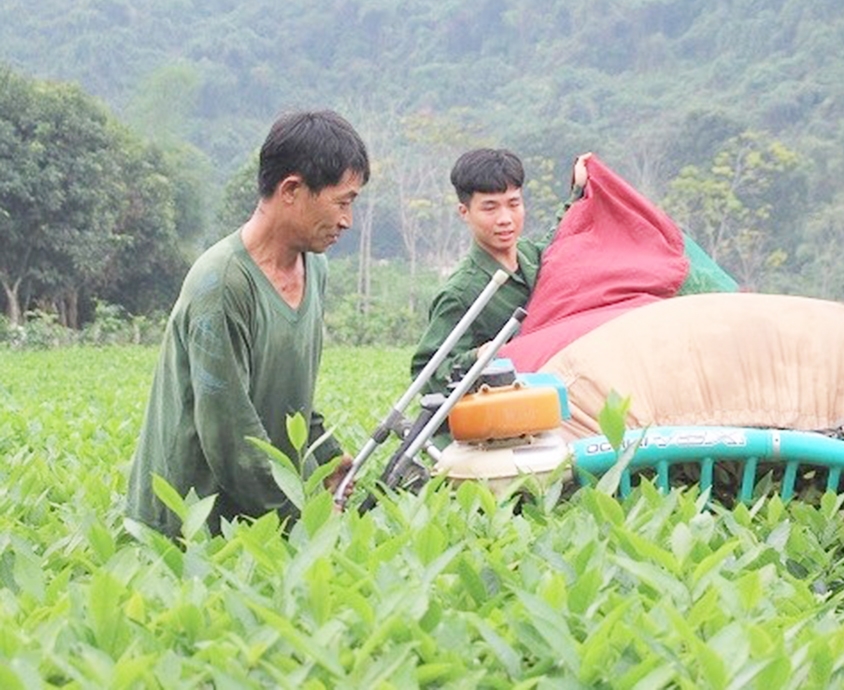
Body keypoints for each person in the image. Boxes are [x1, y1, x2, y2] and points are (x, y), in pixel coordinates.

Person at [127, 109, 370, 538]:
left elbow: (290, 398)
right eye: (342, 201)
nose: (347, 220)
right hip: (189, 526)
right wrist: (302, 519)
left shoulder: (315, 269)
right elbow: (228, 433)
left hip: (256, 516)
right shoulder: (222, 284)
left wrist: (327, 457)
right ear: (291, 189)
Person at [410, 148, 586, 393]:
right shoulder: (461, 292)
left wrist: (578, 190)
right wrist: (479, 356)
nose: (505, 218)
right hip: (495, 421)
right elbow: (428, 374)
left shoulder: (530, 256)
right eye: (490, 208)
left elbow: (559, 237)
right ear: (465, 212)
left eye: (513, 204)